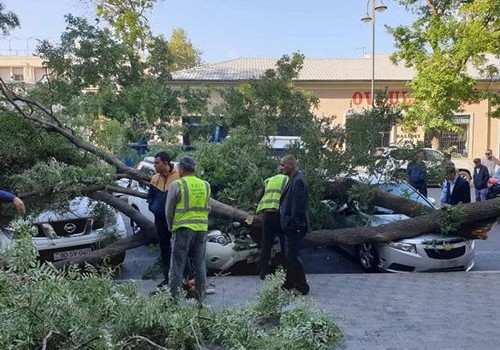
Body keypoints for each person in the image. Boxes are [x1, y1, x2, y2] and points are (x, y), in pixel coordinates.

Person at [165, 156, 211, 300]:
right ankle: (200, 299)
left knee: (177, 266)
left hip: (183, 228)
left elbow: (169, 209)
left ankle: (173, 301)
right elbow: (208, 207)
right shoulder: (205, 185)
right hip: (201, 228)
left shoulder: (177, 185)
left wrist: (170, 226)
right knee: (199, 265)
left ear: (182, 169)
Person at [278, 154, 310, 295]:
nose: (281, 167)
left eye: (283, 165)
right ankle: (289, 283)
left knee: (293, 257)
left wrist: (294, 226)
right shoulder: (293, 179)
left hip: (294, 227)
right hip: (289, 226)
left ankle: (302, 286)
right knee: (289, 256)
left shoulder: (298, 181)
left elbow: (298, 208)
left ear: (291, 165)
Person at [147, 151, 179, 288]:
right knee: (164, 250)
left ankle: (183, 279)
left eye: (157, 163)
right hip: (160, 221)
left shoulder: (179, 177)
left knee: (179, 249)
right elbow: (150, 197)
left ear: (166, 163)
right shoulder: (155, 178)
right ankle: (167, 278)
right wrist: (153, 207)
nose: (155, 165)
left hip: (176, 220)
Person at [256, 173, 288, 280]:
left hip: (267, 214)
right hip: (279, 214)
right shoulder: (287, 180)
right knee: (284, 243)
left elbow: (260, 197)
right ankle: (283, 270)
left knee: (266, 244)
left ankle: (263, 272)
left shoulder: (268, 180)